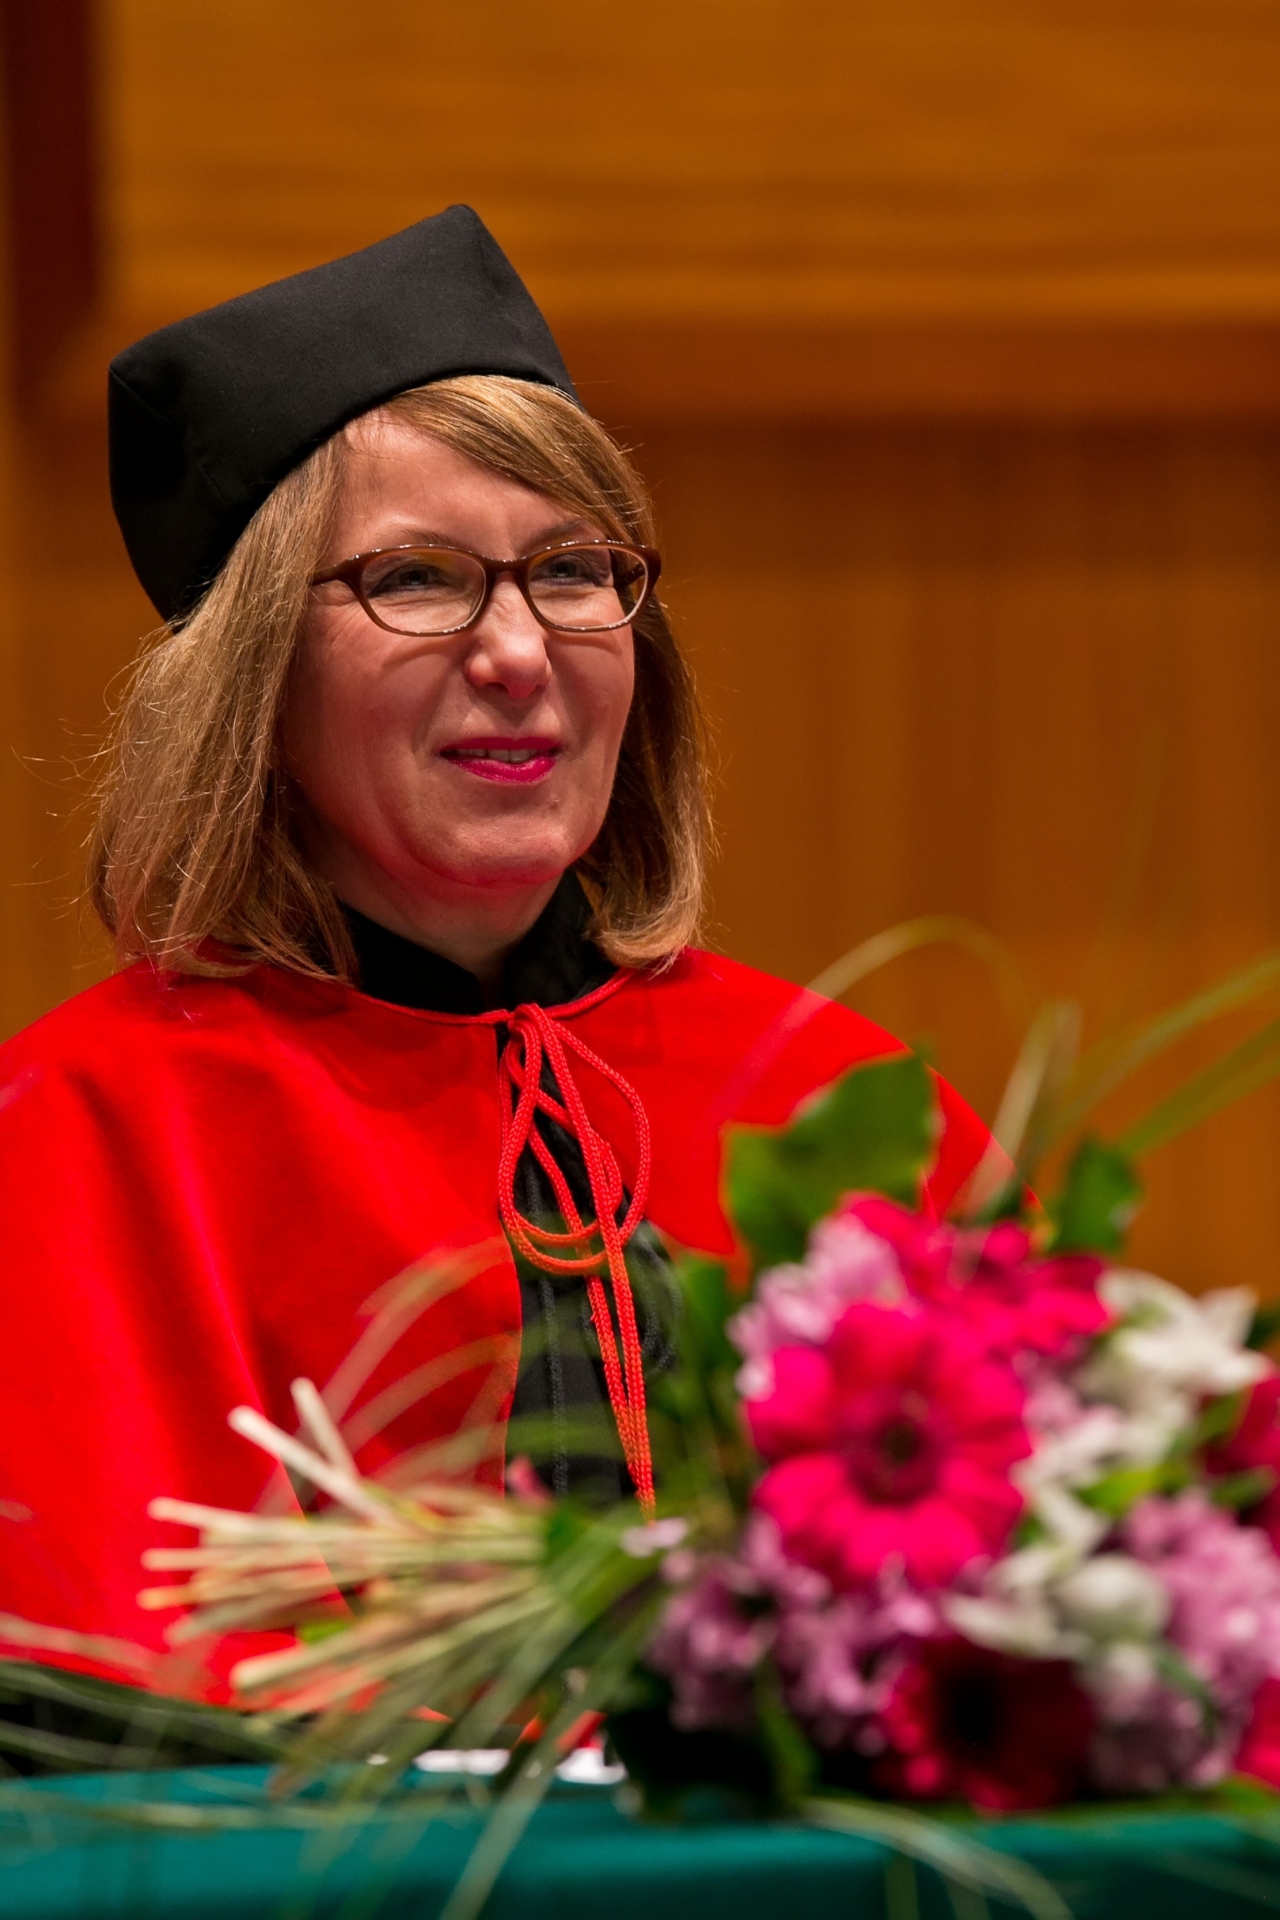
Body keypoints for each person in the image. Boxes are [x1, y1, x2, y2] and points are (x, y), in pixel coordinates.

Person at [0, 207, 990, 1693]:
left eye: (573, 570)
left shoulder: (836, 1097)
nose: (520, 651)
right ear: (253, 678)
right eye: (415, 579)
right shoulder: (77, 1134)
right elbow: (112, 1702)